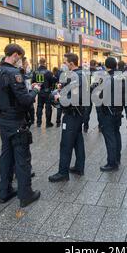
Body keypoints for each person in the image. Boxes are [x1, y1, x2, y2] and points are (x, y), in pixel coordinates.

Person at [0, 43, 41, 208]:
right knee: (22, 158)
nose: (20, 61)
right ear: (14, 55)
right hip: (15, 121)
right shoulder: (14, 73)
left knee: (6, 156)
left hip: (2, 119)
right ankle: (25, 194)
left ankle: (4, 192)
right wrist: (35, 90)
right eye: (20, 57)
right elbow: (25, 100)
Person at [49, 53, 87, 182]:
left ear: (71, 63)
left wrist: (60, 98)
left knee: (66, 144)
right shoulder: (80, 74)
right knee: (78, 141)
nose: (63, 64)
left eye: (65, 62)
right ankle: (79, 167)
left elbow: (77, 97)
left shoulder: (77, 76)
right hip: (78, 113)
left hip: (72, 114)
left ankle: (63, 172)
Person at [96, 57, 125, 172]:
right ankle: (117, 159)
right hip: (118, 110)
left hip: (108, 111)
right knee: (116, 134)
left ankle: (112, 163)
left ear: (106, 65)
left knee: (110, 137)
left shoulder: (106, 78)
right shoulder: (121, 76)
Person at [33, 58, 55, 128]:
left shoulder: (35, 72)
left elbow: (33, 82)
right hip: (47, 92)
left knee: (39, 107)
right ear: (45, 62)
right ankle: (48, 123)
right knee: (48, 108)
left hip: (39, 92)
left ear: (39, 63)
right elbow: (52, 82)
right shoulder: (48, 72)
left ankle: (39, 122)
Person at [83, 60, 98, 133]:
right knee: (99, 111)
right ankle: (101, 127)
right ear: (95, 64)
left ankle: (85, 127)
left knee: (87, 111)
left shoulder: (85, 73)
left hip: (87, 93)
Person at [21, 57, 35, 127]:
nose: (27, 64)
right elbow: (25, 78)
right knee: (28, 107)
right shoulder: (20, 72)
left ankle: (31, 120)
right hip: (24, 92)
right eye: (26, 63)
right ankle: (28, 120)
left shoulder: (27, 71)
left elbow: (30, 78)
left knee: (31, 107)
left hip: (29, 90)